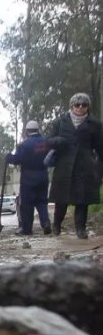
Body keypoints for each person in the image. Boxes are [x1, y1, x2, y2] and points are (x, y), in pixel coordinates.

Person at [46, 92, 103, 239]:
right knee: (61, 200)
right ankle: (57, 225)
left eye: (84, 105)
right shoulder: (60, 122)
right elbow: (48, 141)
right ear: (71, 106)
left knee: (82, 200)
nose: (80, 108)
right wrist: (57, 140)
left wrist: (99, 167)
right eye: (77, 105)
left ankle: (80, 228)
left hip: (84, 166)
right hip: (64, 165)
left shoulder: (95, 124)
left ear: (88, 107)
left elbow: (100, 147)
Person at [5, 120, 51, 235]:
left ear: (27, 131)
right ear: (37, 130)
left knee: (27, 205)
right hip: (43, 177)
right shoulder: (45, 143)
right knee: (42, 202)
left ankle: (27, 229)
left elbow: (17, 159)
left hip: (28, 179)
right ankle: (45, 223)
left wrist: (8, 157)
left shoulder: (24, 145)